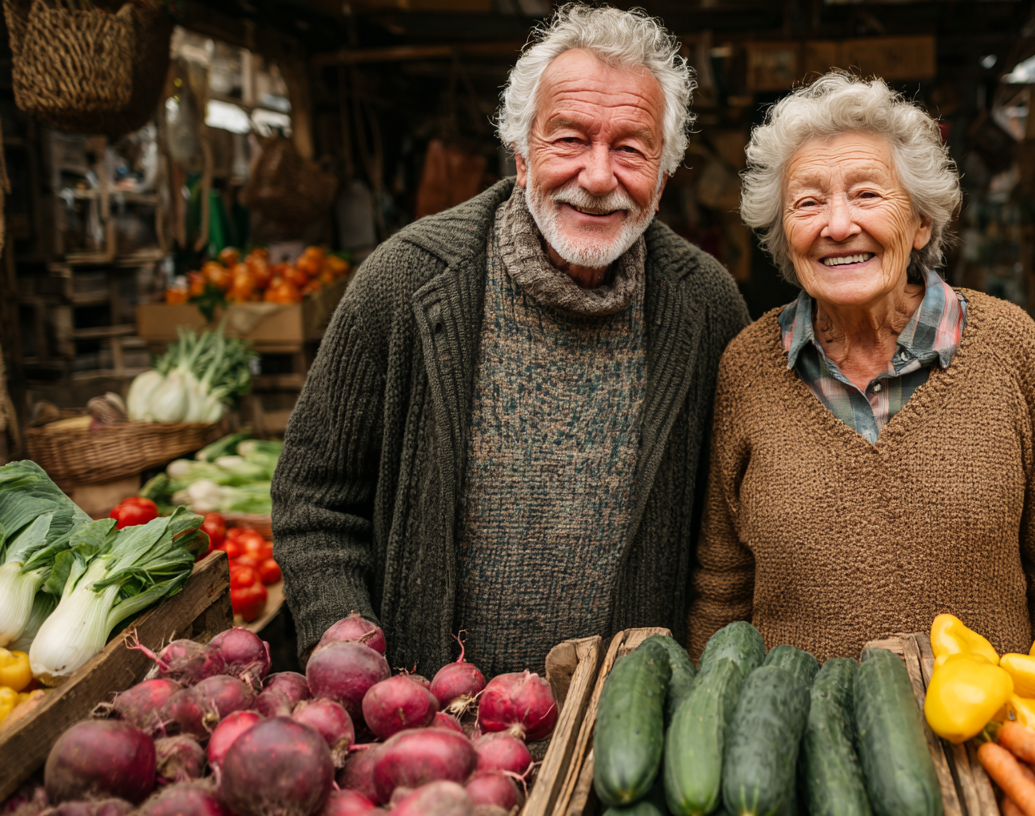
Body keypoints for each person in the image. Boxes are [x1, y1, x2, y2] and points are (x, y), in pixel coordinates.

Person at [272, 5, 750, 677]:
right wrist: (352, 661)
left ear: (663, 178)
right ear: (522, 156)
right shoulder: (406, 281)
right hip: (425, 720)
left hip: (626, 721)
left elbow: (726, 539)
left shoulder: (706, 305)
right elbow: (314, 501)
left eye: (630, 149)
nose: (598, 176)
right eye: (570, 139)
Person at [687, 73, 1035, 661]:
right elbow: (721, 590)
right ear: (784, 235)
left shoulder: (1010, 346)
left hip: (984, 716)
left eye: (867, 195)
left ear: (920, 223)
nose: (837, 226)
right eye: (808, 203)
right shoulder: (748, 365)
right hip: (799, 717)